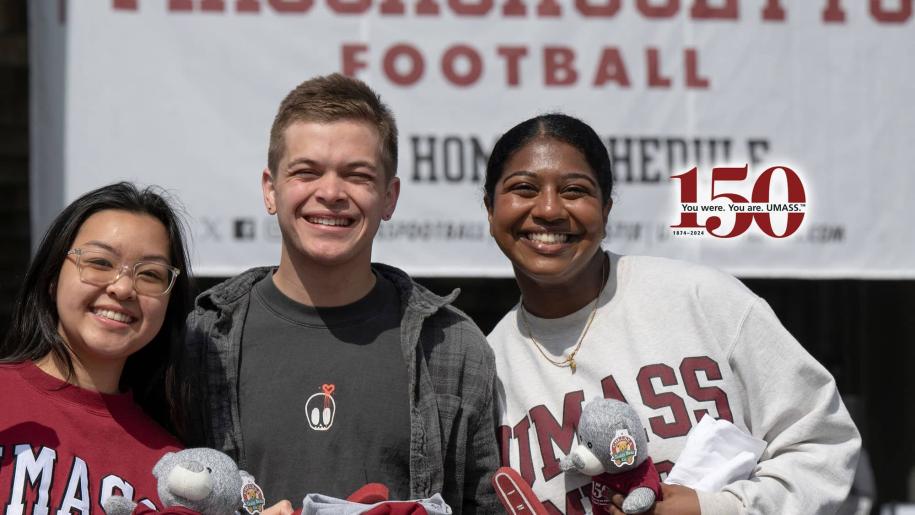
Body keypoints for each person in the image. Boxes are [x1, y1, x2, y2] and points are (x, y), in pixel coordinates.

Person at [483, 113, 861, 514]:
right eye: (523, 189)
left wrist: (717, 509)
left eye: (575, 191)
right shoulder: (485, 367)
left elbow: (823, 442)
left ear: (606, 211)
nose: (548, 209)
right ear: (490, 210)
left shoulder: (701, 299)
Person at [179, 73, 499, 514]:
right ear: (270, 190)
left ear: (390, 197)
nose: (330, 193)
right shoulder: (201, 339)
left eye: (357, 175)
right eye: (306, 172)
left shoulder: (452, 346)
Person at [0, 182, 192, 513]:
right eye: (100, 262)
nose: (123, 288)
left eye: (150, 274)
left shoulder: (175, 473)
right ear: (52, 277)